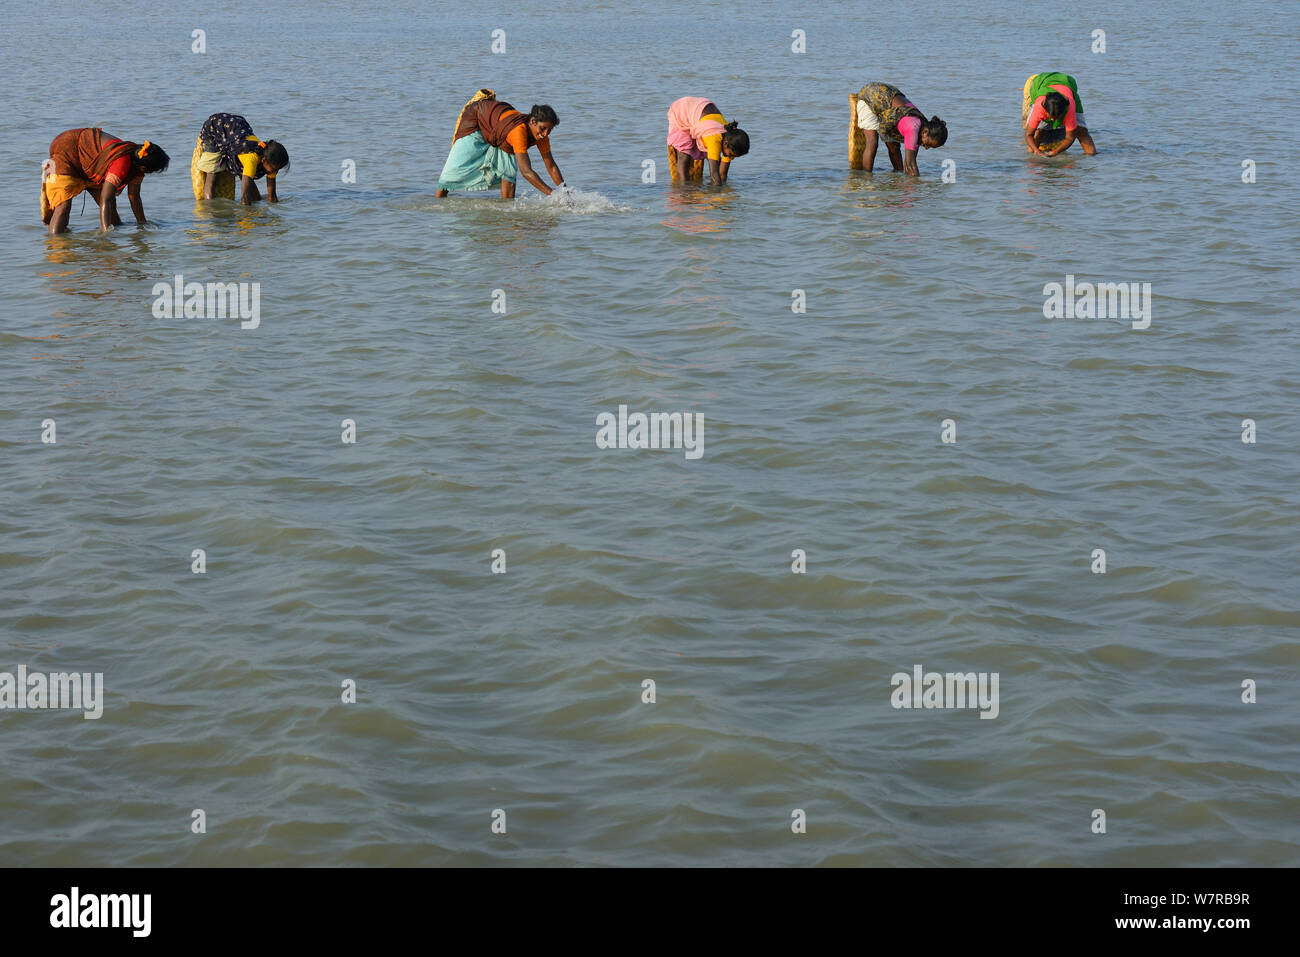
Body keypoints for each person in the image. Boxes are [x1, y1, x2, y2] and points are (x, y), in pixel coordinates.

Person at [436, 90, 565, 198]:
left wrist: (564, 191)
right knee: (454, 169)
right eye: (543, 128)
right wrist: (552, 194)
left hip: (500, 129)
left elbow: (551, 165)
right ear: (532, 121)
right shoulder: (518, 131)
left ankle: (506, 212)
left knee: (508, 172)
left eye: (549, 130)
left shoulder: (542, 136)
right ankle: (438, 201)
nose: (546, 133)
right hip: (476, 118)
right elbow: (526, 171)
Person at [41, 128, 169, 235]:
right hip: (67, 151)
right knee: (63, 207)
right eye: (151, 171)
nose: (149, 174)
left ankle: (114, 230)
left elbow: (134, 197)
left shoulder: (138, 167)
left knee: (111, 208)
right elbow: (105, 198)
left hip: (89, 165)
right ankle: (56, 247)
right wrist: (105, 233)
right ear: (145, 168)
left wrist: (143, 225)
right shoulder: (122, 161)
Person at [850, 83, 947, 175]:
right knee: (872, 142)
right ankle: (866, 179)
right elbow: (910, 164)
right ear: (926, 132)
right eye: (928, 144)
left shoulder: (921, 130)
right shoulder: (913, 126)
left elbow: (908, 164)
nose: (926, 148)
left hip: (888, 109)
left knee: (894, 147)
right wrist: (917, 188)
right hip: (870, 97)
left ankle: (897, 175)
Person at [192, 113, 288, 204]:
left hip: (236, 130)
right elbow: (245, 198)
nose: (275, 171)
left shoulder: (273, 163)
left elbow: (272, 197)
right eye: (274, 169)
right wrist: (247, 218)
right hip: (216, 128)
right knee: (212, 174)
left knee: (249, 180)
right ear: (263, 160)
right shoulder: (251, 159)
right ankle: (209, 209)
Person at [666, 97, 748, 185]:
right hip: (682, 111)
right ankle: (684, 190)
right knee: (684, 156)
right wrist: (716, 194)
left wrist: (725, 192)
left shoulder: (730, 137)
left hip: (700, 109)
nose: (731, 158)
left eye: (733, 157)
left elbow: (722, 174)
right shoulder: (715, 140)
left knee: (714, 157)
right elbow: (714, 174)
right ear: (726, 143)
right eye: (731, 155)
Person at [1022, 72, 1096, 156]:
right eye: (1051, 117)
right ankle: (1030, 162)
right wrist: (1036, 151)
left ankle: (1092, 158)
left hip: (1067, 83)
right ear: (1045, 111)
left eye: (1057, 117)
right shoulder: (1039, 108)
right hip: (1041, 82)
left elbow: (1070, 138)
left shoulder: (1069, 108)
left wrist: (1056, 152)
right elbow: (1028, 134)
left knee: (1081, 131)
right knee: (1039, 132)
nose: (1053, 120)